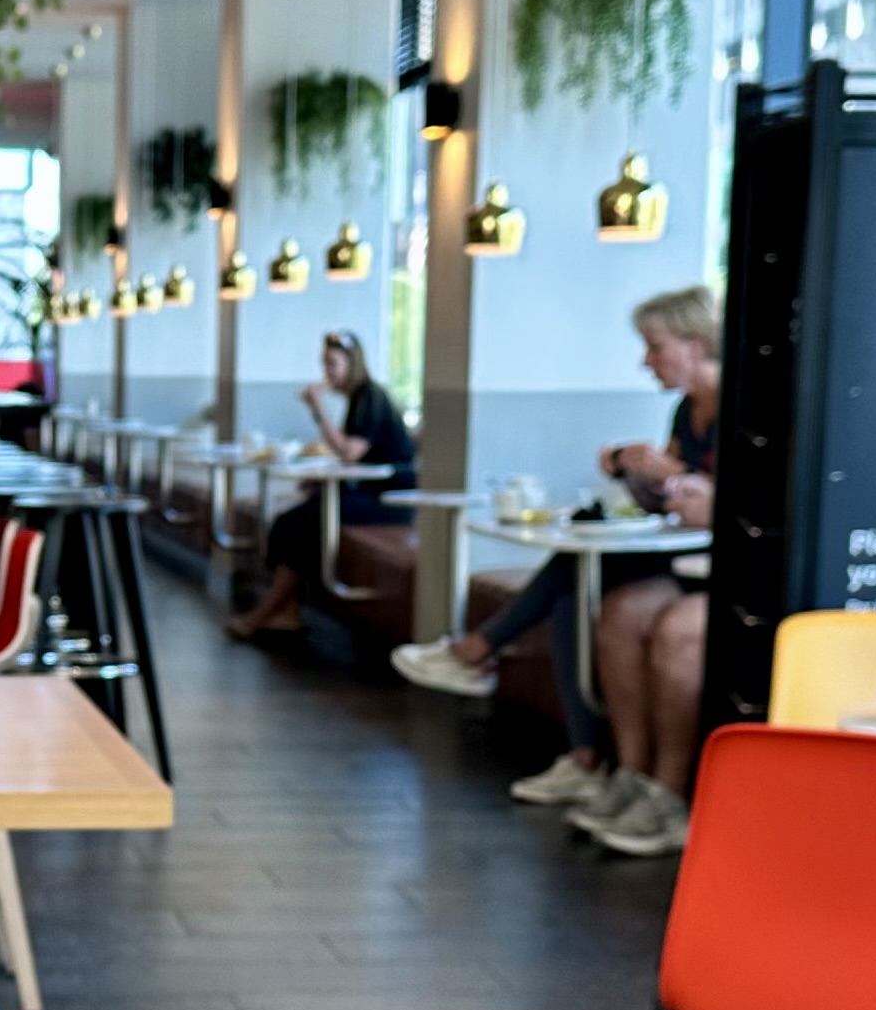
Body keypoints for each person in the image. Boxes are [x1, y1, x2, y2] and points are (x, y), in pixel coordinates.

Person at [392, 287, 720, 845]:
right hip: (679, 560)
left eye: (655, 346)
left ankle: (483, 654)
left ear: (694, 344)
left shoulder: (747, 407)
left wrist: (686, 484)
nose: (646, 361)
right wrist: (635, 471)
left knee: (584, 576)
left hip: (713, 571)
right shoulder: (685, 411)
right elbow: (672, 500)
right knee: (595, 598)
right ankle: (627, 777)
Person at [226, 330, 418, 642]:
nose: (327, 372)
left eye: (332, 364)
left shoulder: (370, 398)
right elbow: (357, 460)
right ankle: (288, 612)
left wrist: (317, 408)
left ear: (352, 364)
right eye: (324, 364)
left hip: (391, 502)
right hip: (369, 491)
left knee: (304, 523)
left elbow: (349, 452)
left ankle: (264, 613)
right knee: (288, 522)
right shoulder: (359, 399)